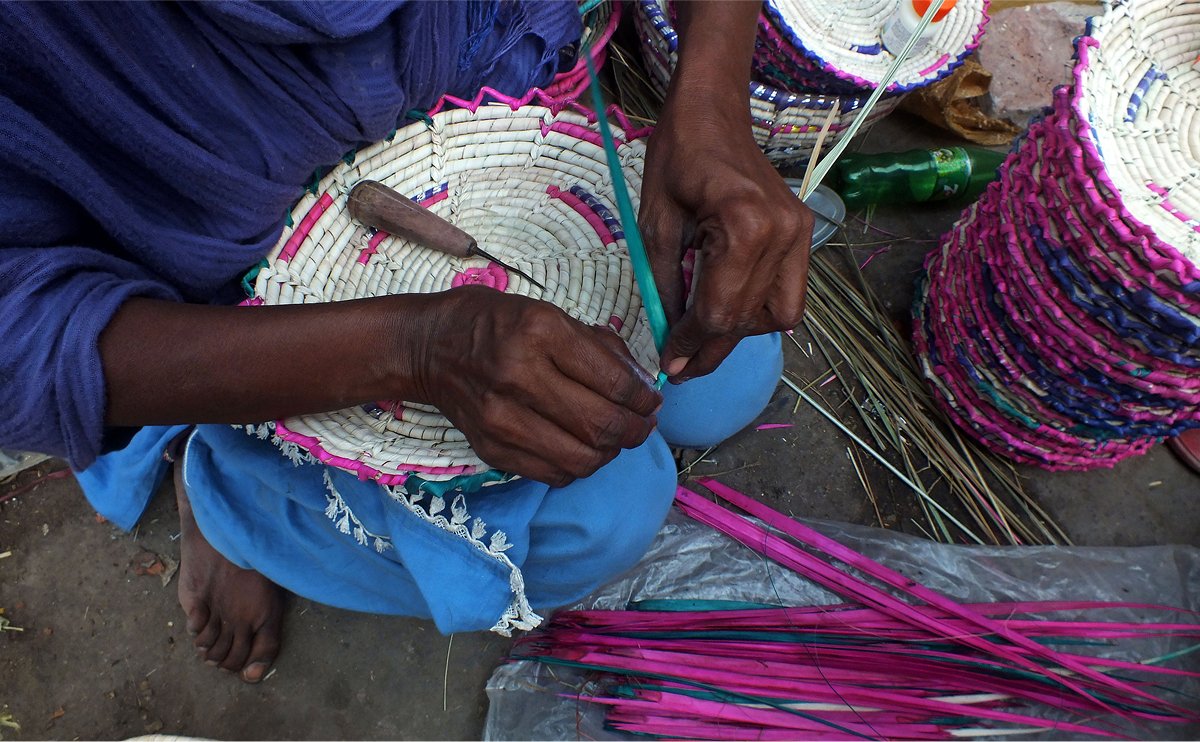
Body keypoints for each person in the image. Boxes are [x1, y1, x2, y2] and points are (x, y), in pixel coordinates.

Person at [0, 2, 812, 683]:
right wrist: (415, 349)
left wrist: (708, 103)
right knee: (603, 520)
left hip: (476, 112)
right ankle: (227, 492)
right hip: (235, 294)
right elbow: (21, 343)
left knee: (737, 368)